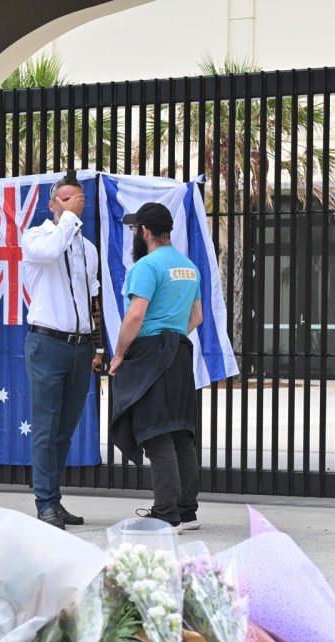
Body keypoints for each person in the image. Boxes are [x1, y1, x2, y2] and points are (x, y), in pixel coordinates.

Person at [108, 202, 204, 531]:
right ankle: (186, 511)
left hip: (151, 353)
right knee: (179, 431)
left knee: (157, 434)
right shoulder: (189, 267)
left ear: (144, 232)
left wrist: (120, 353)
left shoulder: (147, 267)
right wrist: (171, 333)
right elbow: (197, 317)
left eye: (136, 229)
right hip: (179, 351)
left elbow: (135, 314)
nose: (135, 234)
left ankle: (166, 513)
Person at [19, 174, 105, 530]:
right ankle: (45, 503)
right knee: (45, 427)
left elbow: (92, 302)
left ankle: (55, 498)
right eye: (66, 199)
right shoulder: (36, 237)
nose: (74, 205)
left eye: (79, 200)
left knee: (65, 429)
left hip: (79, 347)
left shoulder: (88, 248)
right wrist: (69, 218)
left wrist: (97, 346)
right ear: (52, 205)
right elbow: (52, 251)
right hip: (47, 343)